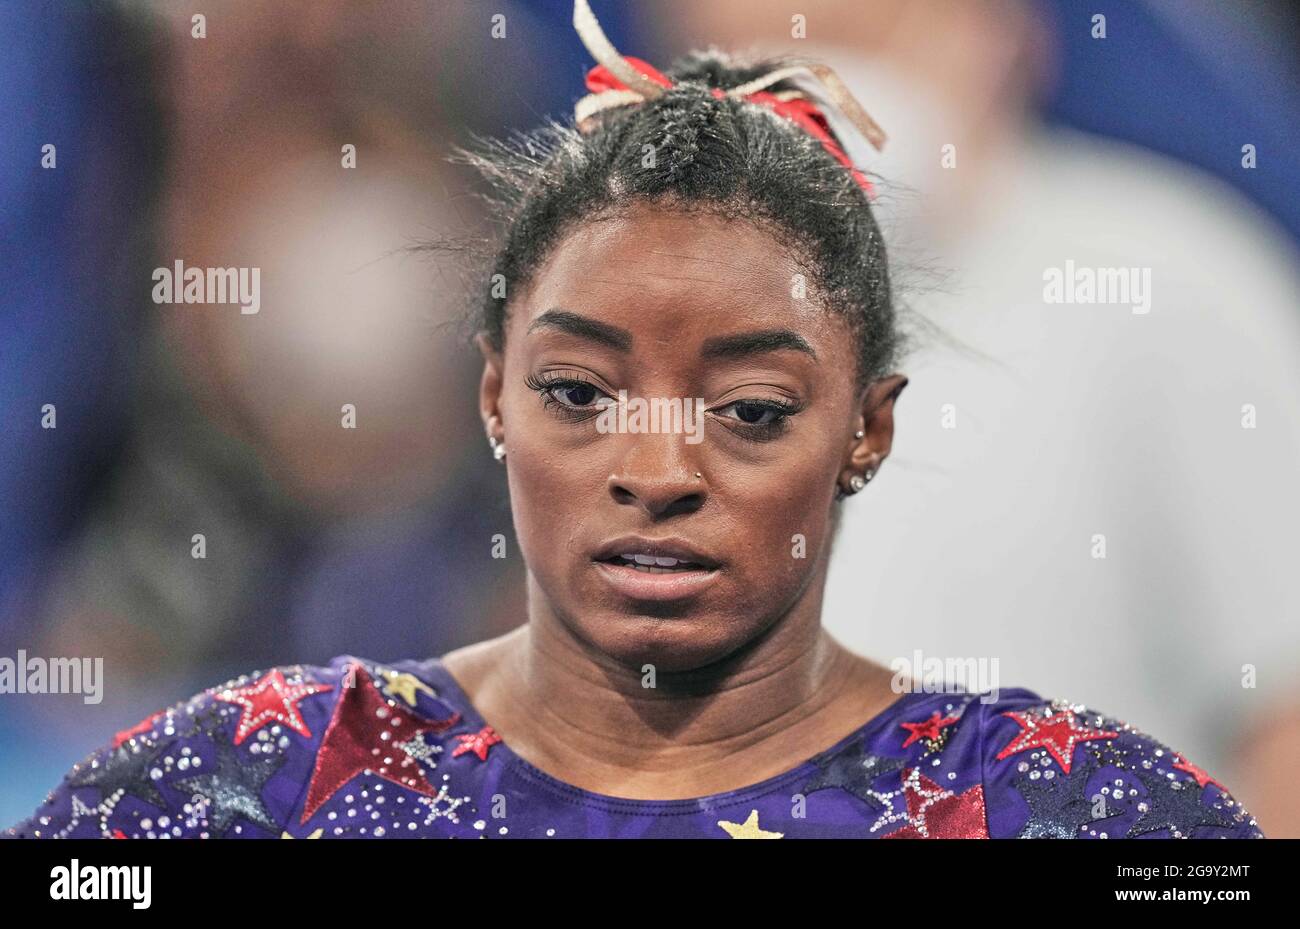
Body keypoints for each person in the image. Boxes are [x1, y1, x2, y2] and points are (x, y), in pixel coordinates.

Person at [4, 1, 1263, 840]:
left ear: (869, 431)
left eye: (752, 409)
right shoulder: (258, 772)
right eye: (579, 394)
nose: (657, 469)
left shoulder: (1069, 799)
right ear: (492, 395)